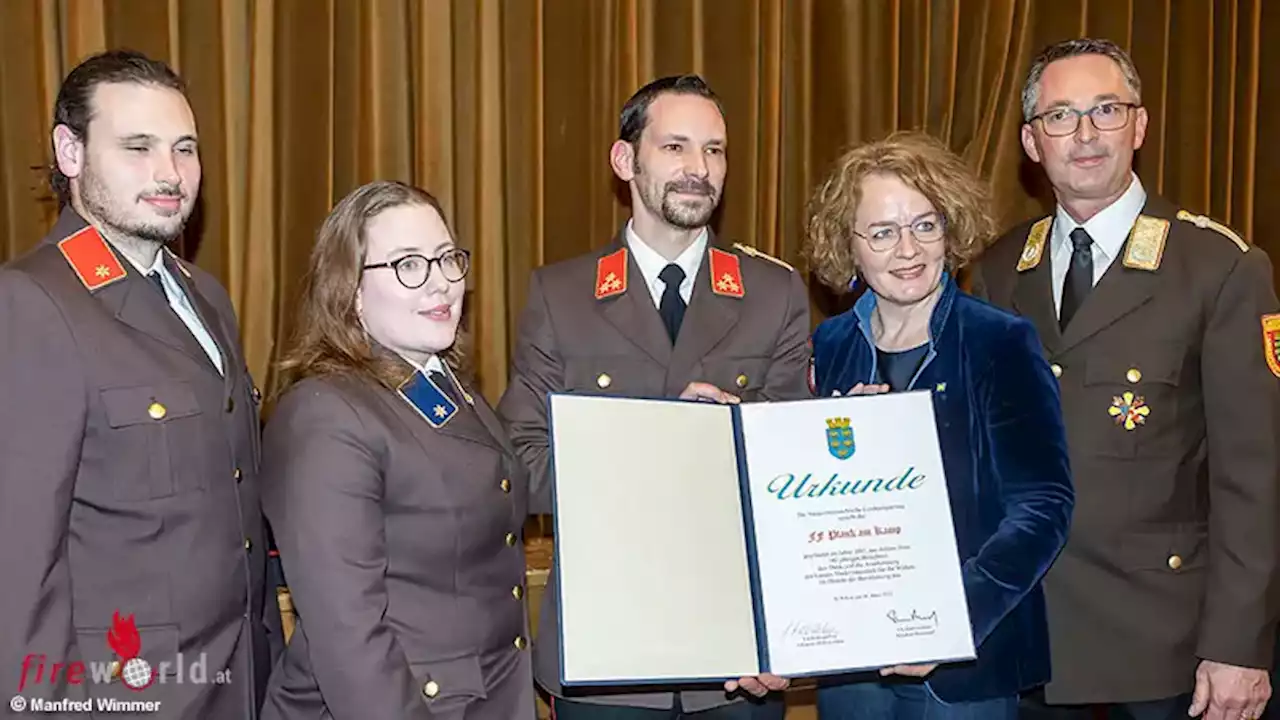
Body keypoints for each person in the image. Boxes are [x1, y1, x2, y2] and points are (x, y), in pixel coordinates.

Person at [969, 37, 1280, 720]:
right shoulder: (995, 271)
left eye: (1106, 110)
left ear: (1138, 125)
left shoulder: (1219, 268)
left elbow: (1253, 478)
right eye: (1060, 116)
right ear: (1030, 140)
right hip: (1029, 639)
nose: (1084, 135)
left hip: (1165, 651)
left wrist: (1240, 645)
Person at [497, 74, 808, 718]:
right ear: (625, 160)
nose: (700, 169)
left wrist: (736, 437)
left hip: (738, 658)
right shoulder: (561, 296)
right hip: (610, 655)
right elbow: (520, 463)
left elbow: (796, 477)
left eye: (715, 150)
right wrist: (653, 453)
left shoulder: (774, 294)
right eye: (676, 148)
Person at [0, 49, 277, 716]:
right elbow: (16, 573)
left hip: (241, 686)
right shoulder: (32, 304)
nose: (169, 174)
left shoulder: (204, 296)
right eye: (138, 147)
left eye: (185, 148)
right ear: (70, 152)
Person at [801, 131, 1074, 719]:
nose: (908, 250)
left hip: (965, 664)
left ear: (950, 229)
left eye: (925, 225)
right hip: (852, 660)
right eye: (882, 232)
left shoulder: (999, 341)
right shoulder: (832, 345)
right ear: (847, 245)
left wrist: (951, 619)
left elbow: (1044, 506)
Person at [259, 180, 535, 720]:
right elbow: (350, 637)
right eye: (409, 265)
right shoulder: (326, 414)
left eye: (446, 258)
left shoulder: (440, 382)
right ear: (350, 292)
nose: (442, 285)